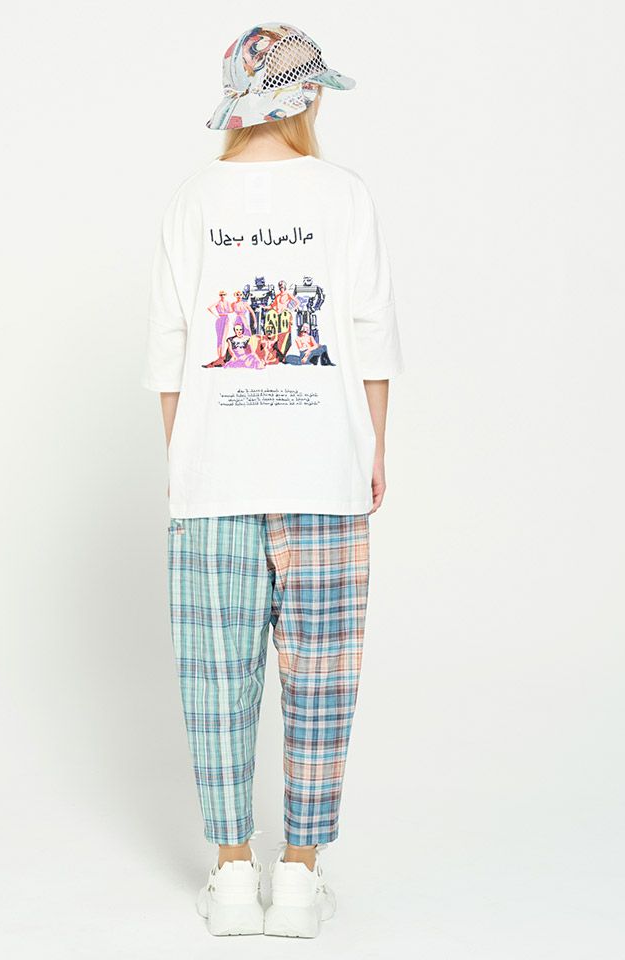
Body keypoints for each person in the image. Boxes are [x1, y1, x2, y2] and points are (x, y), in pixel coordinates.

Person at [142, 21, 403, 939]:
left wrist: (183, 462)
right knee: (322, 676)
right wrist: (374, 446)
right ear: (307, 95)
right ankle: (298, 879)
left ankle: (231, 876)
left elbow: (171, 348)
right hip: (323, 469)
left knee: (216, 676)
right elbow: (370, 333)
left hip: (214, 474)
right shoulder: (344, 195)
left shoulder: (192, 199)